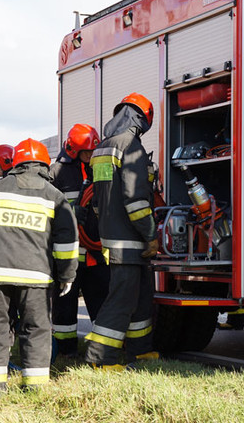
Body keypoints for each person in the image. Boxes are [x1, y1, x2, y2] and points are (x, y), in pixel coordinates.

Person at [0, 138, 78, 392]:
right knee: (36, 330)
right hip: (36, 278)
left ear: (16, 163)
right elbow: (67, 241)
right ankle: (35, 389)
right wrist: (67, 275)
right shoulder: (54, 196)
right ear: (45, 164)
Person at [84, 92, 160, 370]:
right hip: (130, 239)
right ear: (141, 119)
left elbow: (99, 198)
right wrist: (150, 234)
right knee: (121, 300)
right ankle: (99, 359)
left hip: (113, 237)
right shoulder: (131, 146)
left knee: (139, 299)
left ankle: (140, 351)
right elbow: (136, 200)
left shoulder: (103, 148)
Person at [50, 123, 109, 357]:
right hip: (69, 255)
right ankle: (66, 352)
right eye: (87, 152)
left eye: (94, 151)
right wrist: (74, 213)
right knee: (65, 308)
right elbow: (50, 210)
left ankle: (102, 350)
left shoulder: (100, 169)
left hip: (96, 254)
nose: (91, 156)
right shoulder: (57, 172)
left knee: (101, 304)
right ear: (73, 150)